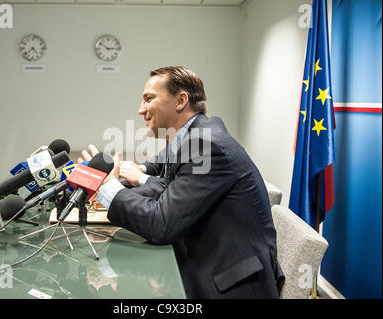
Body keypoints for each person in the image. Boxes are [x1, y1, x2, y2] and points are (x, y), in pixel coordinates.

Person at [84, 66, 285, 298]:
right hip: (212, 265)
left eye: (149, 99)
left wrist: (109, 189)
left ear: (180, 101)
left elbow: (160, 225)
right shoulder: (191, 138)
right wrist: (116, 185)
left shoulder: (206, 145)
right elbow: (165, 187)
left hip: (232, 286)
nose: (141, 110)